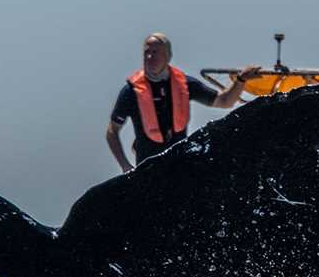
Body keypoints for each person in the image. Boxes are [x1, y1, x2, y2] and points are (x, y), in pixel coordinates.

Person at [106, 33, 260, 173]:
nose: (149, 57)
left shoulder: (185, 84)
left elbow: (224, 101)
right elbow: (112, 131)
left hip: (179, 166)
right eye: (147, 52)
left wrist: (241, 80)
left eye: (155, 52)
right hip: (147, 169)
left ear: (167, 56)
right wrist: (125, 166)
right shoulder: (131, 91)